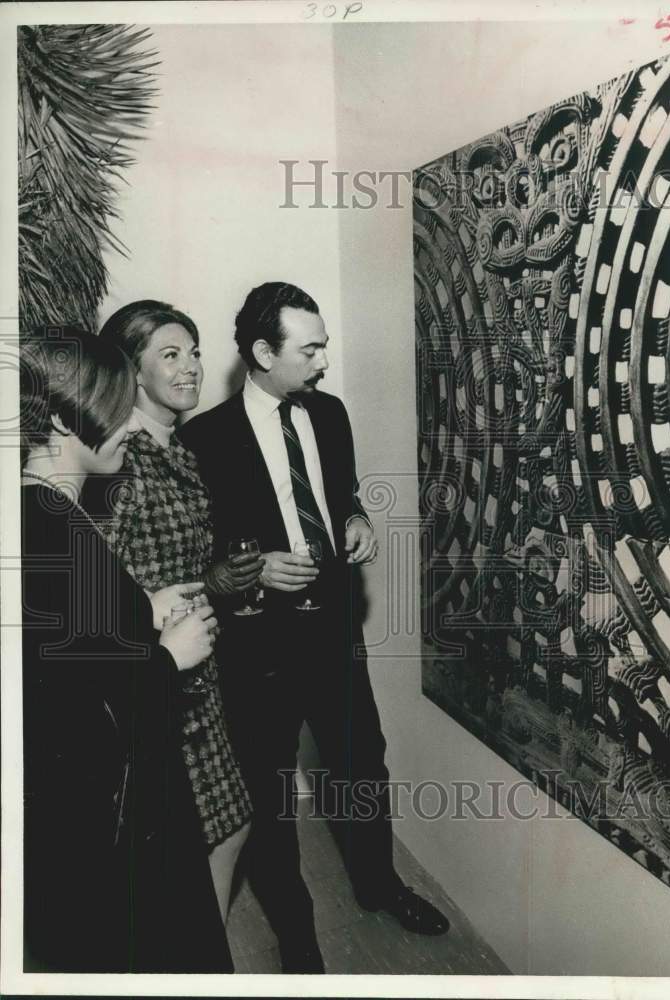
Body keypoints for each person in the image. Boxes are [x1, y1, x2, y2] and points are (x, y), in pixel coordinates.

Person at [180, 282, 450, 974]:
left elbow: (341, 494)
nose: (325, 361)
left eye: (323, 345)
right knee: (270, 794)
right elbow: (191, 557)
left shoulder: (328, 413)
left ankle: (379, 884)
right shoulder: (201, 439)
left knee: (362, 765)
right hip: (256, 649)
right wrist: (253, 569)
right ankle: (297, 932)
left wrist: (356, 518)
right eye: (311, 348)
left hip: (333, 634)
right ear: (263, 353)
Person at [20, 328, 231, 972]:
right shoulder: (56, 531)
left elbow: (70, 652)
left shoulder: (41, 514)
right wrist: (171, 655)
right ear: (60, 418)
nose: (127, 423)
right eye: (115, 407)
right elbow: (77, 713)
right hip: (101, 825)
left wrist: (142, 608)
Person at [94, 300, 262, 921]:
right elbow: (98, 586)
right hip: (160, 675)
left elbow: (179, 567)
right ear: (133, 373)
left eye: (193, 351)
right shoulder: (121, 462)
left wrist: (222, 584)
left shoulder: (179, 450)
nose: (191, 366)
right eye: (171, 355)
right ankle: (195, 963)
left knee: (223, 831)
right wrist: (154, 617)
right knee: (214, 833)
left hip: (198, 673)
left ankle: (193, 956)